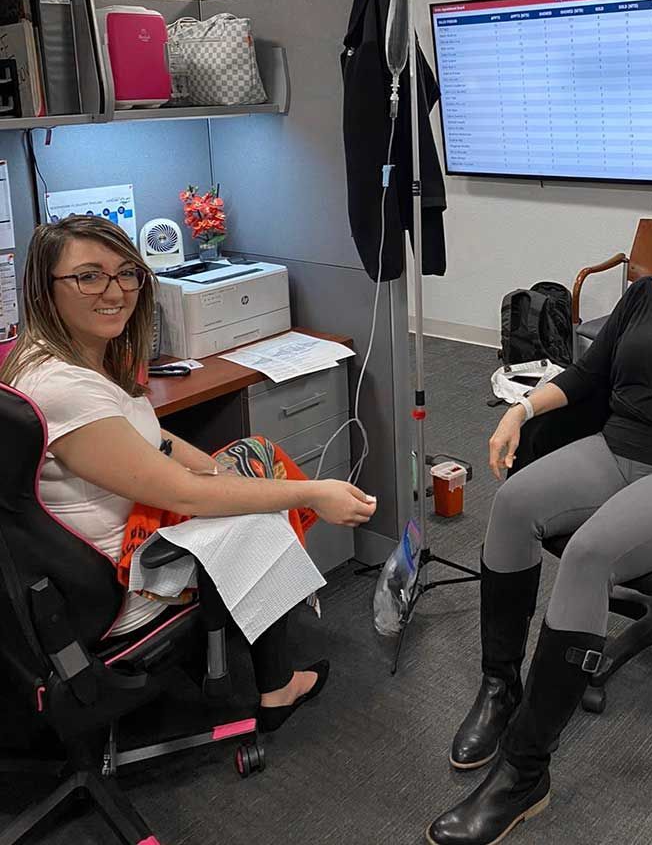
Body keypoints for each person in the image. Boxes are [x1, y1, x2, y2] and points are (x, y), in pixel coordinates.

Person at [427, 175, 652, 845]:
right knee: (512, 503)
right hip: (619, 447)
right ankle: (501, 686)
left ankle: (525, 769)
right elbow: (588, 378)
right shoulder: (644, 294)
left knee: (591, 554)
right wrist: (522, 408)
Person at [1, 215, 377, 733]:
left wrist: (213, 465)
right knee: (258, 513)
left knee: (252, 455)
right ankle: (276, 682)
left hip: (87, 554)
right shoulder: (66, 389)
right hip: (123, 582)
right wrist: (317, 490)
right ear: (46, 289)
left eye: (125, 274)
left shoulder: (54, 357)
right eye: (88, 276)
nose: (114, 291)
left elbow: (150, 436)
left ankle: (263, 636)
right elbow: (183, 492)